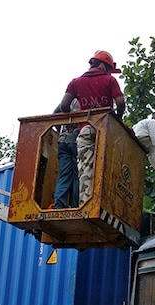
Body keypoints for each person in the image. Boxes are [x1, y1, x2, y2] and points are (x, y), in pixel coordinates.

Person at [56, 51, 126, 205]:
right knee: (107, 168)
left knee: (85, 171)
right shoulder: (109, 80)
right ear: (103, 65)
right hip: (107, 130)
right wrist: (118, 119)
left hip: (86, 129)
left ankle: (86, 205)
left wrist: (75, 119)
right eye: (108, 69)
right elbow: (120, 102)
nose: (109, 72)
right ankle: (105, 203)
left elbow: (64, 106)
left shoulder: (75, 82)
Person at [52, 99, 80, 209]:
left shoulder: (70, 100)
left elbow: (55, 113)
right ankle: (76, 206)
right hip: (77, 139)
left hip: (63, 140)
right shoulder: (86, 99)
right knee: (78, 175)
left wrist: (60, 132)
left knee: (64, 175)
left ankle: (59, 204)